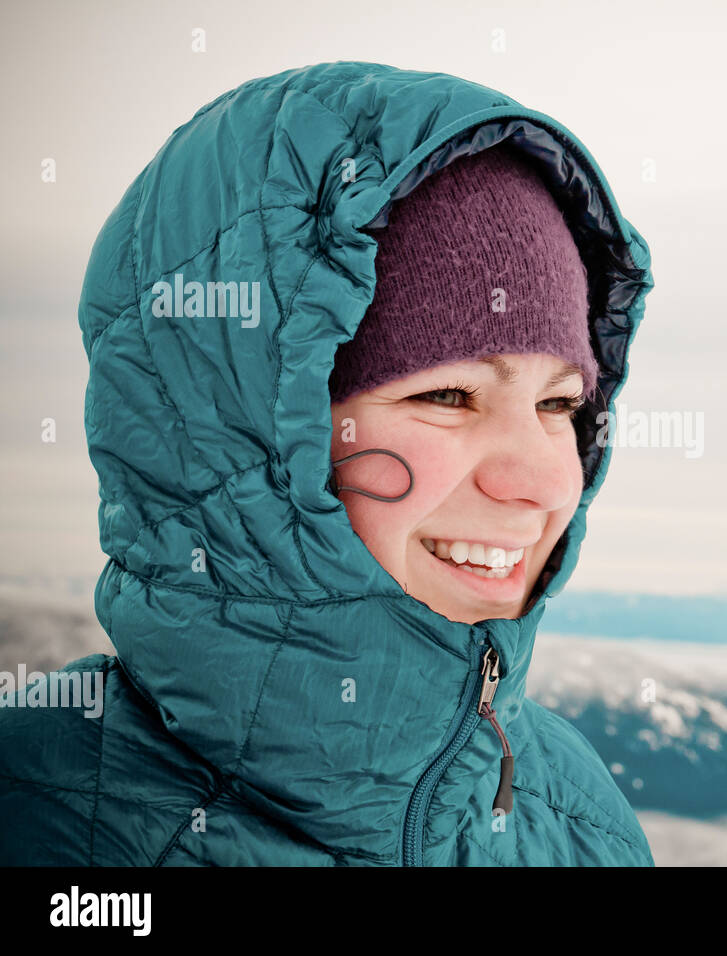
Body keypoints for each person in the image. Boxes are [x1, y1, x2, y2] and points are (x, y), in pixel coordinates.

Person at [0, 61, 655, 866]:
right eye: (447, 396)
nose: (549, 482)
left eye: (559, 406)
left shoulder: (585, 826)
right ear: (252, 436)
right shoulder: (33, 823)